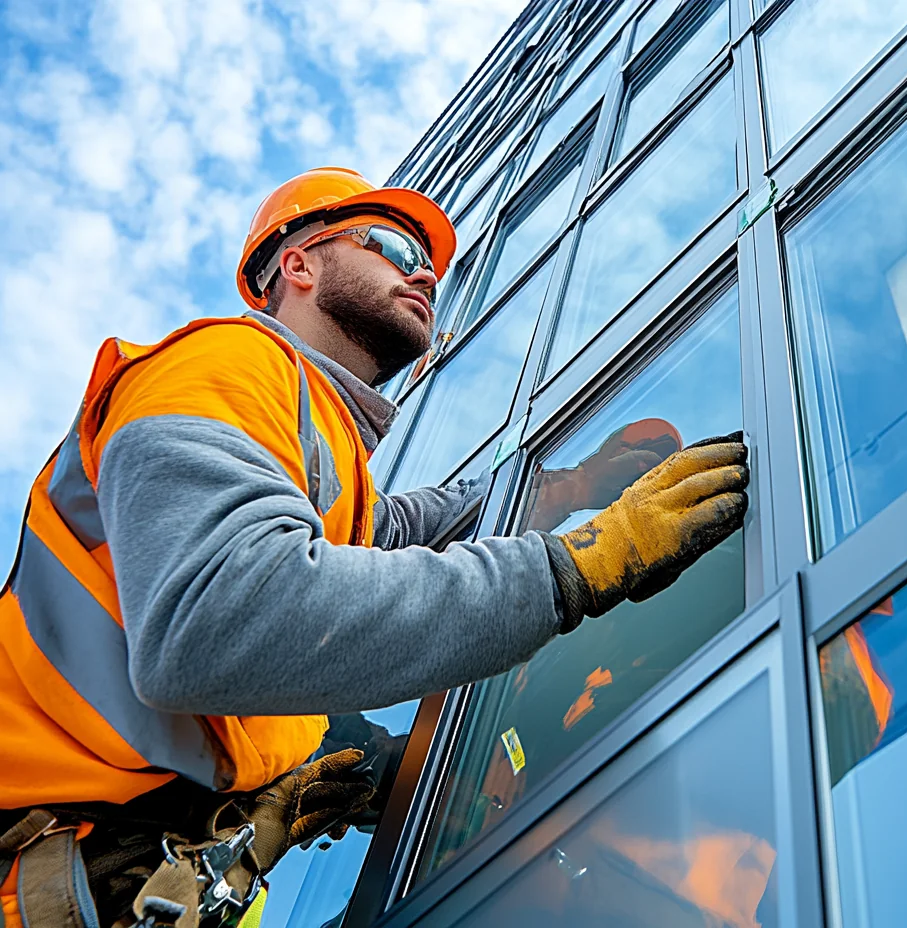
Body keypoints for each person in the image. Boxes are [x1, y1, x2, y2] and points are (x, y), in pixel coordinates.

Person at [0, 167, 749, 926]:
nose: (424, 271)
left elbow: (398, 535)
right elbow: (218, 617)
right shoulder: (222, 364)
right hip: (40, 880)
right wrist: (579, 562)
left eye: (431, 264)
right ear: (298, 264)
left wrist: (568, 485)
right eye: (393, 245)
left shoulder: (321, 448)